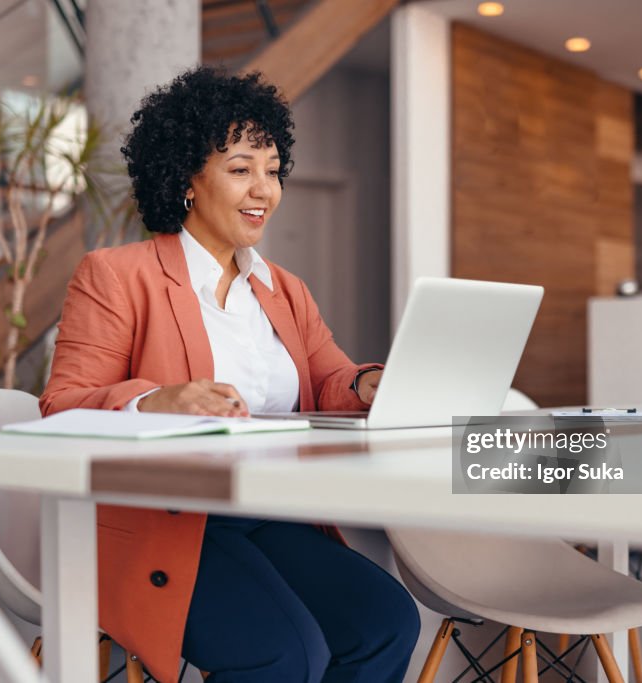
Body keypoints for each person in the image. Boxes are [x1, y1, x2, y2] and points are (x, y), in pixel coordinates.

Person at [40, 66, 420, 683]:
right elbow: (63, 404)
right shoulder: (117, 274)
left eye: (272, 171)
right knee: (283, 653)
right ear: (187, 179)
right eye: (241, 169)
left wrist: (365, 385)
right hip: (162, 517)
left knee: (385, 624)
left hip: (265, 511)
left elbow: (329, 380)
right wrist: (159, 399)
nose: (263, 190)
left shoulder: (282, 289)